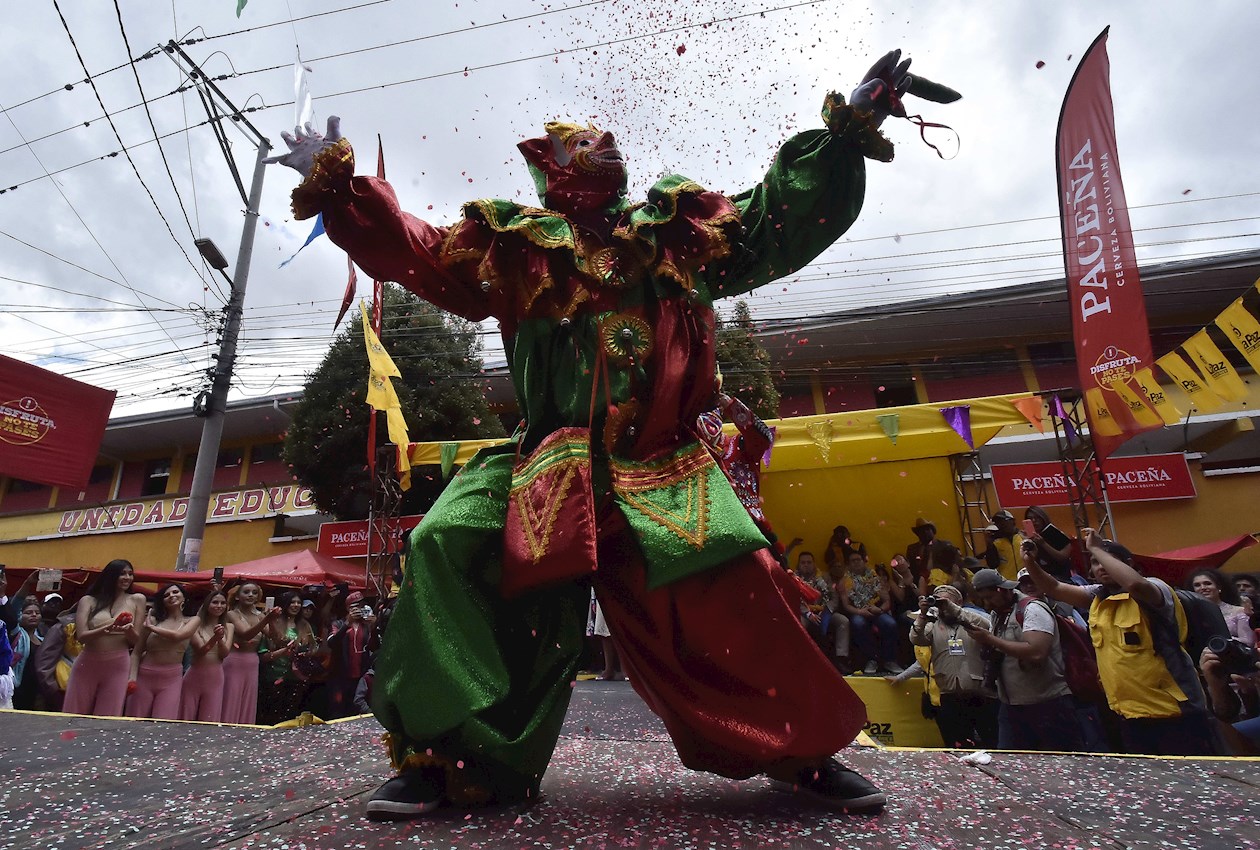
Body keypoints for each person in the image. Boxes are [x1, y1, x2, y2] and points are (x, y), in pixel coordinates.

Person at [266, 48, 956, 818]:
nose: (602, 147)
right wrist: (344, 193)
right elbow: (422, 249)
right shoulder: (515, 246)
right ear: (551, 169)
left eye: (606, 141)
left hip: (660, 462)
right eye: (579, 144)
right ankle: (449, 756)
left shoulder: (672, 232)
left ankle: (802, 754)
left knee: (737, 585)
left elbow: (767, 223)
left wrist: (846, 133)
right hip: (545, 463)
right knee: (445, 543)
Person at [1022, 530, 1217, 756]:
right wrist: (1030, 562)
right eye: (1095, 563)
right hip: (1128, 714)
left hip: (1175, 714)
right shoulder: (1098, 596)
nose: (1101, 566)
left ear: (1129, 564)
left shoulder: (1154, 589)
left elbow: (1136, 585)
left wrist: (1095, 548)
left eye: (1109, 560)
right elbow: (1054, 588)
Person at [964, 568, 1084, 752]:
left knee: (1063, 765)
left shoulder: (1032, 609)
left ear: (1001, 590)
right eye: (983, 600)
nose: (987, 604)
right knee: (1009, 763)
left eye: (989, 597)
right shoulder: (999, 612)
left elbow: (1036, 652)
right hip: (1012, 705)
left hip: (1048, 703)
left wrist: (989, 639)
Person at [909, 584, 998, 748]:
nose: (943, 606)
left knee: (991, 743)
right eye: (939, 602)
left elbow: (987, 626)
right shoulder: (933, 626)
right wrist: (922, 614)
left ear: (959, 602)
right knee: (956, 746)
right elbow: (916, 638)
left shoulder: (972, 620)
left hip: (979, 693)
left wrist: (955, 610)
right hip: (949, 694)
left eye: (947, 601)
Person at [64, 559, 145, 716]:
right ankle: (68, 739)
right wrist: (106, 629)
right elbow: (81, 637)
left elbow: (137, 642)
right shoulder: (88, 600)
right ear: (111, 575)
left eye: (130, 574)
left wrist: (128, 631)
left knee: (108, 715)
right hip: (88, 662)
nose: (127, 577)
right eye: (122, 574)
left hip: (118, 664)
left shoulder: (137, 599)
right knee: (73, 713)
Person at [128, 583, 199, 720]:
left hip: (171, 679)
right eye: (166, 595)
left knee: (163, 722)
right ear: (162, 601)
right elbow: (136, 652)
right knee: (135, 722)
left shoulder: (192, 620)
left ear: (184, 597)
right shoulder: (153, 620)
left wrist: (152, 628)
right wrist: (132, 677)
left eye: (175, 592)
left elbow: (179, 636)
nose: (171, 596)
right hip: (145, 675)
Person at [837, 551, 901, 676]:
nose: (856, 563)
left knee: (890, 624)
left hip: (876, 610)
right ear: (848, 564)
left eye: (858, 560)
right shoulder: (844, 582)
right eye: (853, 561)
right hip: (858, 611)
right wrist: (860, 611)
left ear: (864, 561)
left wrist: (881, 609)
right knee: (858, 624)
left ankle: (890, 660)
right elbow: (846, 605)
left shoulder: (875, 577)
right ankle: (872, 659)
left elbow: (887, 600)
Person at [222, 582, 278, 724]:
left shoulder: (260, 615)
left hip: (252, 662)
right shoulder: (231, 614)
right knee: (231, 697)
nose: (250, 595)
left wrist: (271, 620)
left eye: (254, 593)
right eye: (246, 592)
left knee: (248, 699)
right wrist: (267, 619)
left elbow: (275, 637)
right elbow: (246, 634)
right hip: (234, 660)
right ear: (237, 597)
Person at [258, 591, 316, 726]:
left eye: (298, 602)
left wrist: (306, 653)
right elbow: (263, 656)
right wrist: (283, 652)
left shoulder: (304, 625)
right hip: (273, 677)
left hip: (297, 679)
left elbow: (314, 648)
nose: (296, 605)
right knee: (272, 717)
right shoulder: (273, 624)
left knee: (292, 717)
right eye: (292, 602)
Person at [180, 589, 234, 722]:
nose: (219, 606)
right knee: (185, 716)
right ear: (206, 604)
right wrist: (215, 638)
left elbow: (225, 653)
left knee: (209, 719)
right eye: (215, 602)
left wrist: (220, 639)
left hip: (215, 677)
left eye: (223, 603)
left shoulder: (229, 626)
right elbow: (201, 650)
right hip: (195, 675)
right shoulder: (195, 624)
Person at [1188, 569, 1256, 648]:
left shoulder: (1239, 611)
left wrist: (1219, 640)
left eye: (1208, 583)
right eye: (1197, 585)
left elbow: (1248, 642)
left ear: (1219, 587)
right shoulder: (1192, 614)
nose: (1203, 587)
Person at [904, 519, 958, 592]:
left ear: (933, 531)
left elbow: (955, 565)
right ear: (917, 533)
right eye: (921, 530)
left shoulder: (945, 546)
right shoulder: (912, 549)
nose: (925, 532)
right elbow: (910, 568)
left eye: (928, 529)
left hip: (942, 583)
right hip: (919, 584)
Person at [10, 598, 45, 710]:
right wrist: (27, 583)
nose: (34, 615)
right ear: (20, 615)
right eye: (28, 613)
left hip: (35, 691)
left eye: (37, 613)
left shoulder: (43, 640)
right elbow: (14, 606)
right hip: (17, 688)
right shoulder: (15, 634)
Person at [1023, 506, 1074, 581]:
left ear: (1043, 518)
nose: (1034, 521)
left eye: (1037, 518)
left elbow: (1063, 558)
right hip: (1040, 578)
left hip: (1061, 578)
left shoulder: (1056, 534)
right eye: (1030, 518)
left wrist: (1043, 543)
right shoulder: (1027, 538)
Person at [982, 511, 1025, 581]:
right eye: (998, 522)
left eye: (1003, 521)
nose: (1001, 524)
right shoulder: (996, 542)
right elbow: (992, 564)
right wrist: (989, 545)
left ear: (1012, 521)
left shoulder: (1023, 537)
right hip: (1007, 582)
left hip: (1025, 579)